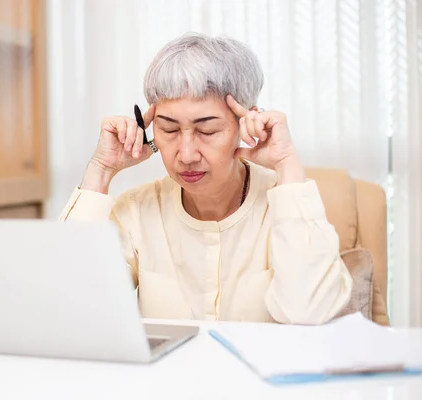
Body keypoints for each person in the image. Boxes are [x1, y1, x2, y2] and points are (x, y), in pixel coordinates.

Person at [58, 32, 352, 325]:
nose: (186, 155)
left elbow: (309, 312)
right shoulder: (136, 210)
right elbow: (69, 305)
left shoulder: (286, 205)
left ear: (247, 122)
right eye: (169, 130)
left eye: (208, 131)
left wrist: (287, 165)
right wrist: (101, 170)